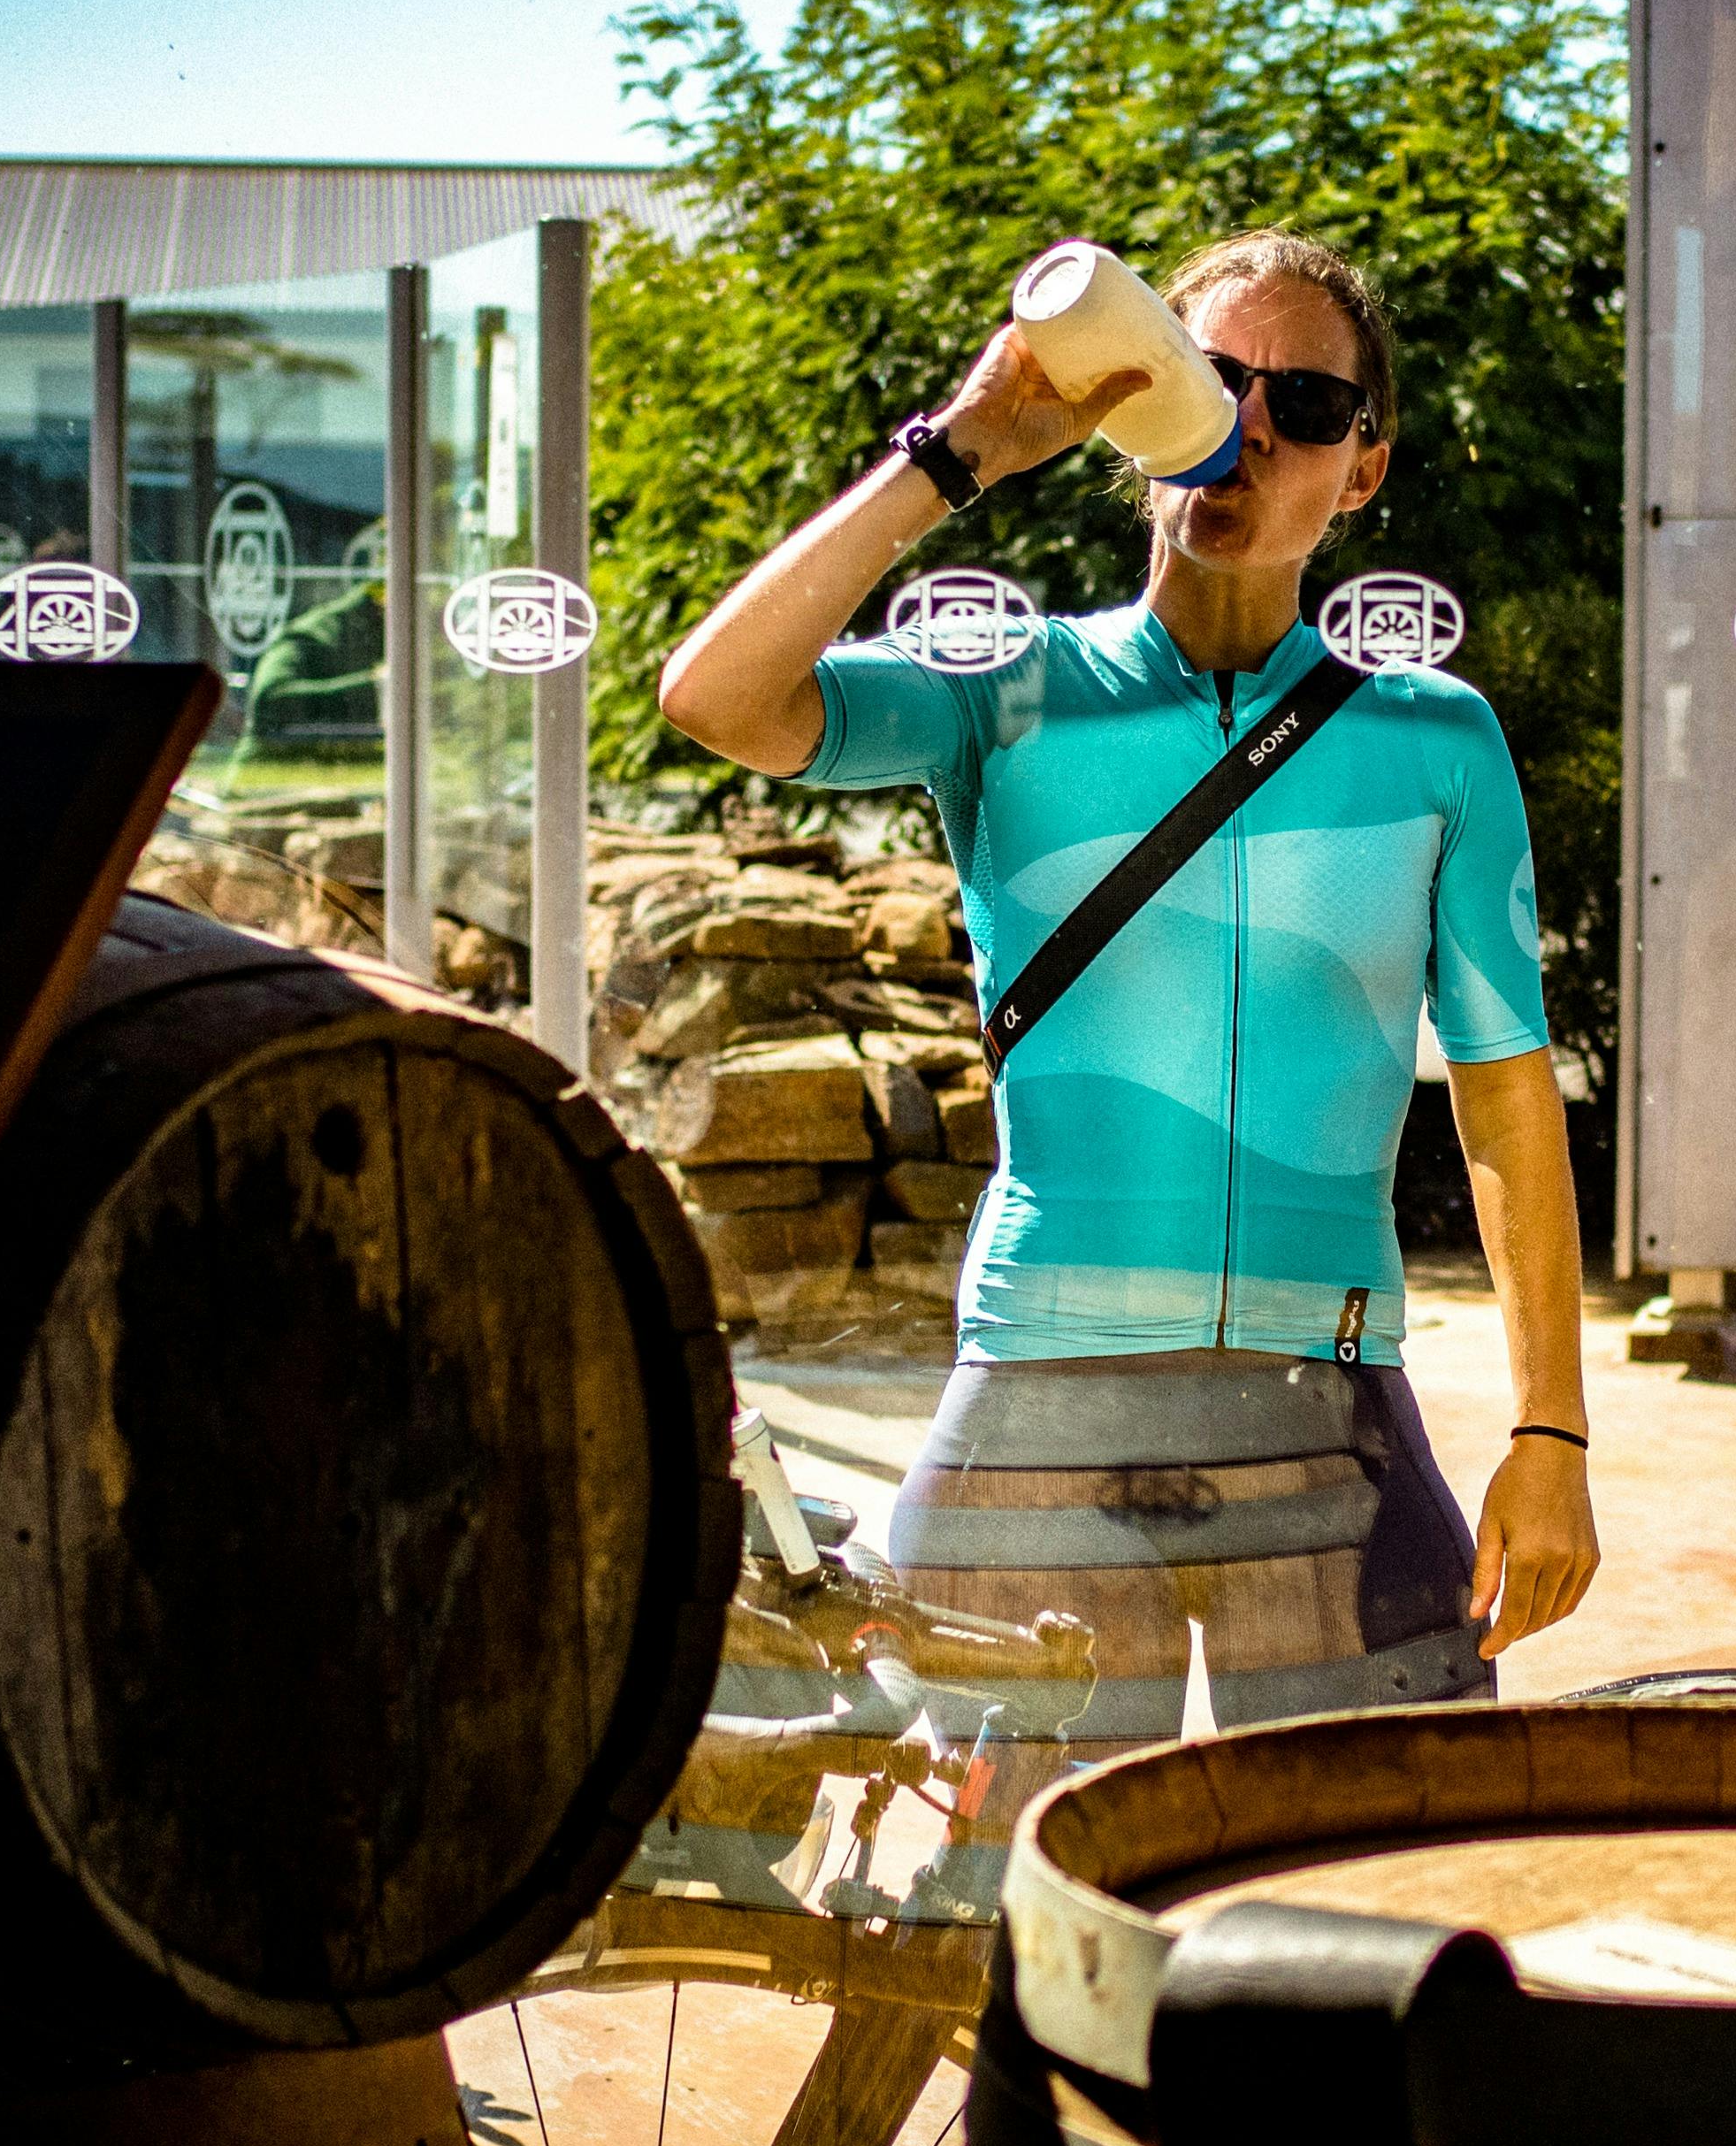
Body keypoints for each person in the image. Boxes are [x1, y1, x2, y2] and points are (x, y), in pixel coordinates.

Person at [657, 228, 1597, 1766]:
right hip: (1044, 1400)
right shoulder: (1010, 688)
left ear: (1361, 470)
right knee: (997, 1946)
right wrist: (961, 449)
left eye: (1303, 403)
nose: (1249, 430)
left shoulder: (1435, 739)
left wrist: (1548, 1433)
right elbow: (715, 696)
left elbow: (1502, 1094)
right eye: (1208, 384)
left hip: (1330, 1405)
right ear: (1132, 410)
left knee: (1368, 1899)